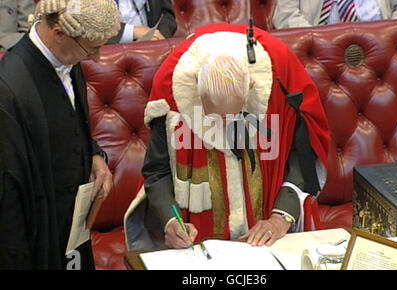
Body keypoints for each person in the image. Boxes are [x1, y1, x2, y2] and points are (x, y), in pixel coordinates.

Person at [124, 23, 331, 251]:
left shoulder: (281, 79)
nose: (224, 127)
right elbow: (156, 171)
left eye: (233, 116)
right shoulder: (170, 92)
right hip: (199, 247)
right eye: (215, 118)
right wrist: (170, 223)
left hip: (267, 243)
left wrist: (282, 216)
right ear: (196, 93)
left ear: (251, 88)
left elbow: (304, 155)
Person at [0, 0, 119, 269]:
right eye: (92, 48)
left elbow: (70, 125)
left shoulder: (67, 56)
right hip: (38, 238)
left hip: (72, 228)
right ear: (59, 33)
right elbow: (9, 199)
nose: (98, 58)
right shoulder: (9, 90)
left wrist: (95, 156)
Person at [273, 0, 397, 29]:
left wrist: (392, 36)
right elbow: (286, 16)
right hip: (322, 55)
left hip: (381, 47)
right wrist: (316, 42)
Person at [108, 0, 177, 44]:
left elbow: (167, 14)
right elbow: (98, 27)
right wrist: (132, 32)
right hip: (112, 52)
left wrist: (160, 37)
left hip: (152, 47)